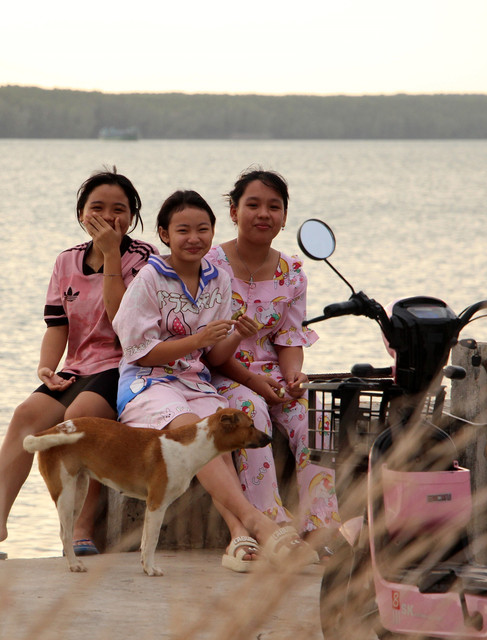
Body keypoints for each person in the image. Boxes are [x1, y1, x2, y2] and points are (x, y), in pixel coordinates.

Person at [0, 169, 154, 555]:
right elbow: (57, 326)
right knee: (26, 414)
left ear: (132, 216)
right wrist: (47, 367)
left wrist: (111, 254)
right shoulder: (66, 262)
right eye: (98, 208)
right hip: (77, 368)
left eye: (119, 210)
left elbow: (124, 321)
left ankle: (82, 525)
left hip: (124, 367)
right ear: (80, 214)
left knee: (81, 419)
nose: (109, 217)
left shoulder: (144, 259)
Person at [113, 189, 318, 572]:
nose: (194, 238)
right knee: (194, 432)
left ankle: (238, 536)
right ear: (164, 234)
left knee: (221, 432)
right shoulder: (149, 278)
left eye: (202, 229)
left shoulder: (217, 279)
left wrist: (237, 335)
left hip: (194, 381)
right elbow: (136, 350)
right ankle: (256, 523)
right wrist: (195, 341)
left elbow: (214, 357)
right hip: (149, 382)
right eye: (183, 230)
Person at [206, 168, 341, 555]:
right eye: (253, 205)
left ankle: (321, 526)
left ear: (284, 216)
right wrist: (252, 381)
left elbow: (289, 338)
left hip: (271, 375)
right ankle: (274, 525)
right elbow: (207, 351)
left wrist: (293, 377)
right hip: (223, 373)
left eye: (274, 206)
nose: (263, 214)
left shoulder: (293, 271)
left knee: (316, 416)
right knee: (253, 414)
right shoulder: (211, 264)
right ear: (233, 211)